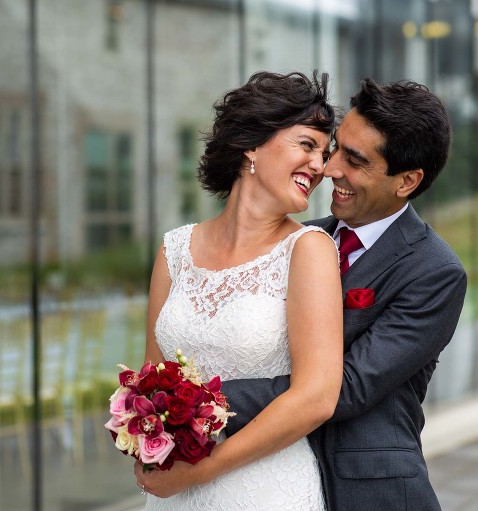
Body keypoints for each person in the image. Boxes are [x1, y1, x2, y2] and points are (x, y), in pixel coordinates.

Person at [138, 78, 468, 510]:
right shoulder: (298, 239)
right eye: (331, 150)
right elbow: (151, 369)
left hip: (362, 489)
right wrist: (147, 421)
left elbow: (341, 388)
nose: (328, 169)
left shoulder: (434, 272)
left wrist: (187, 405)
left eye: (352, 158)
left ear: (406, 181)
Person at [137, 70, 343, 510]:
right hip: (173, 495)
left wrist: (203, 470)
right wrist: (143, 447)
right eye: (307, 145)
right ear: (251, 143)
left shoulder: (307, 251)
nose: (320, 167)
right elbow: (150, 380)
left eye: (323, 154)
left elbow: (316, 398)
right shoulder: (175, 249)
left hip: (265, 490)